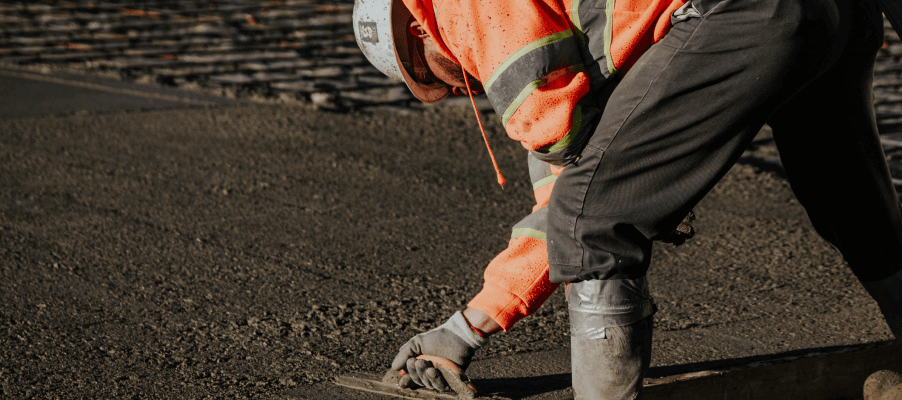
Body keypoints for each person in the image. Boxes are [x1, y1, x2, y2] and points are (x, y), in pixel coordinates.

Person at [353, 0, 902, 398]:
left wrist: (465, 329)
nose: (456, 88)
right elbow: (567, 187)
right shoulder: (554, 37)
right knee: (849, 198)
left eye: (427, 72)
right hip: (838, 12)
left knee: (593, 223)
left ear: (418, 28)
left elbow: (575, 201)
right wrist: (466, 328)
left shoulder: (461, 10)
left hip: (743, 12)